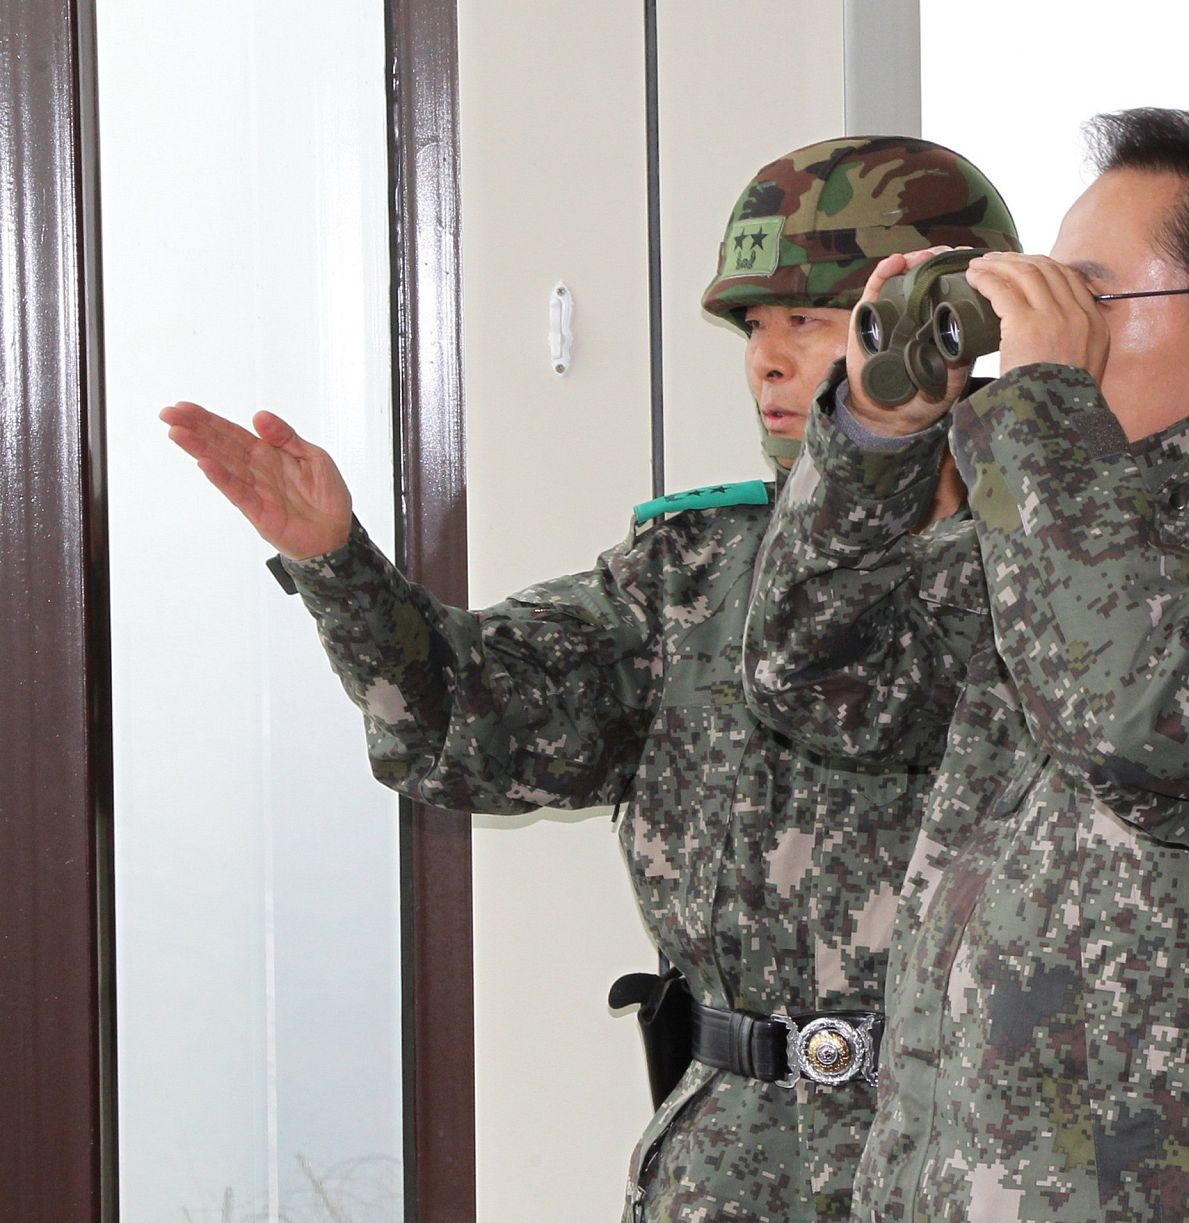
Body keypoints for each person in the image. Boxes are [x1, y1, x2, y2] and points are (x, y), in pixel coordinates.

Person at [158, 136, 1019, 1221]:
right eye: (754, 326)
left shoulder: (1050, 573)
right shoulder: (694, 569)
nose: (765, 358)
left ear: (950, 322)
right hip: (730, 1170)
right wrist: (341, 567)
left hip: (966, 1157)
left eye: (808, 320)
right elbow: (472, 721)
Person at [743, 109, 1189, 1220]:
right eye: (1047, 295)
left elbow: (1127, 709)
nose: (1053, 330)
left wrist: (1036, 407)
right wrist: (878, 434)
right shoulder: (1071, 524)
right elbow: (815, 675)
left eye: (1091, 297)